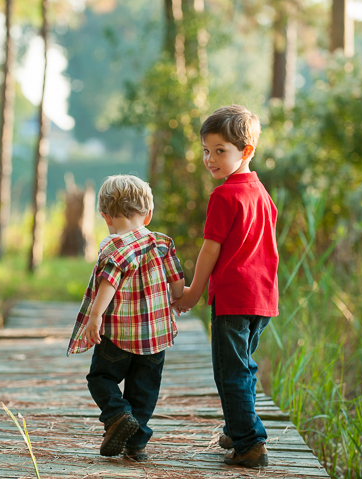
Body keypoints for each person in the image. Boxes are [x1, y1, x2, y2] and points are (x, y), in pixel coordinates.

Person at [172, 105, 279, 468]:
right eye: (206, 150)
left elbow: (210, 249)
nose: (210, 159)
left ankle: (250, 443)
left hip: (234, 297)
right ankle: (238, 427)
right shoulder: (261, 194)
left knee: (229, 371)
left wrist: (191, 292)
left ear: (246, 151)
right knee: (244, 367)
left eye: (220, 151)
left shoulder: (224, 195)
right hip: (261, 299)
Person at [66, 174, 185, 462]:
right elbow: (178, 283)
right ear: (149, 214)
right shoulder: (162, 243)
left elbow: (108, 284)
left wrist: (95, 318)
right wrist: (178, 299)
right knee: (144, 389)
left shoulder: (114, 247)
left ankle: (118, 415)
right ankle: (137, 445)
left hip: (119, 335)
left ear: (105, 215)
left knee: (101, 377)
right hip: (155, 336)